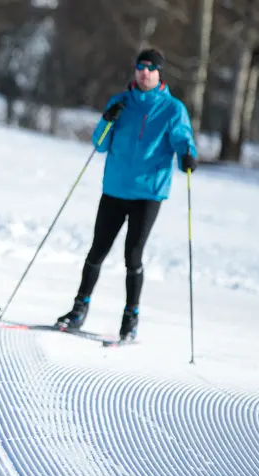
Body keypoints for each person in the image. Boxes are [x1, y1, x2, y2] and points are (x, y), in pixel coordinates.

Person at [55, 48, 197, 341]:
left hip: (148, 193)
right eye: (140, 67)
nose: (144, 73)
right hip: (115, 188)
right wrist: (107, 119)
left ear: (159, 73)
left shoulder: (172, 109)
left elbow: (183, 139)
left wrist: (187, 155)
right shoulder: (119, 102)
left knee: (133, 255)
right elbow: (100, 144)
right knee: (97, 250)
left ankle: (130, 318)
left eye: (150, 68)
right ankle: (79, 309)